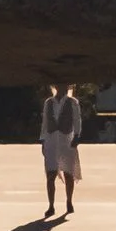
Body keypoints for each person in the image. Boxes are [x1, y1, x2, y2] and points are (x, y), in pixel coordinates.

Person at [39, 82, 83, 219]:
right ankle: (51, 205)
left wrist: (77, 136)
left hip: (66, 139)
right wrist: (42, 139)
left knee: (68, 172)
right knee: (50, 173)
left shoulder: (72, 102)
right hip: (51, 140)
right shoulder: (49, 102)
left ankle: (69, 201)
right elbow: (45, 122)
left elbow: (77, 120)